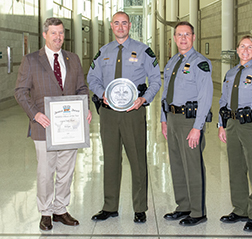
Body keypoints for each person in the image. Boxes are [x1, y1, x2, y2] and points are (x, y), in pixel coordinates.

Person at [14, 17, 92, 231]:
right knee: (45, 172)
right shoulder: (31, 60)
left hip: (70, 128)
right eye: (54, 33)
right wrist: (35, 114)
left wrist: (85, 107)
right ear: (45, 35)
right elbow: (20, 92)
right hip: (44, 126)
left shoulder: (73, 59)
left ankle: (60, 209)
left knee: (66, 171)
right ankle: (45, 212)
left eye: (61, 33)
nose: (58, 37)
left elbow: (81, 88)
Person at [87, 11, 161, 223]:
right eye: (117, 23)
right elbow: (92, 78)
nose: (120, 27)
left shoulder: (143, 50)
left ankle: (139, 208)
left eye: (124, 23)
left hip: (133, 113)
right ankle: (110, 206)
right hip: (109, 114)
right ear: (112, 26)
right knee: (110, 160)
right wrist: (102, 94)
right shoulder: (104, 52)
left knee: (137, 159)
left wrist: (144, 99)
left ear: (130, 25)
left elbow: (155, 79)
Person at [217, 35, 252, 232]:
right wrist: (220, 125)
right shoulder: (230, 73)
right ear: (237, 49)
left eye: (250, 47)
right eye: (242, 46)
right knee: (236, 168)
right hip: (231, 124)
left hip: (251, 126)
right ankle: (240, 209)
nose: (246, 50)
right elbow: (223, 101)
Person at [160, 21, 213, 226]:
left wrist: (197, 128)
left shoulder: (200, 63)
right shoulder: (173, 61)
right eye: (179, 35)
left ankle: (198, 211)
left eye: (187, 35)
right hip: (172, 119)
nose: (183, 38)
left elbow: (205, 98)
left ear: (193, 37)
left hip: (190, 120)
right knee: (177, 164)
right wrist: (164, 119)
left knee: (193, 166)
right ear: (174, 38)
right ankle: (183, 206)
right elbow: (166, 93)